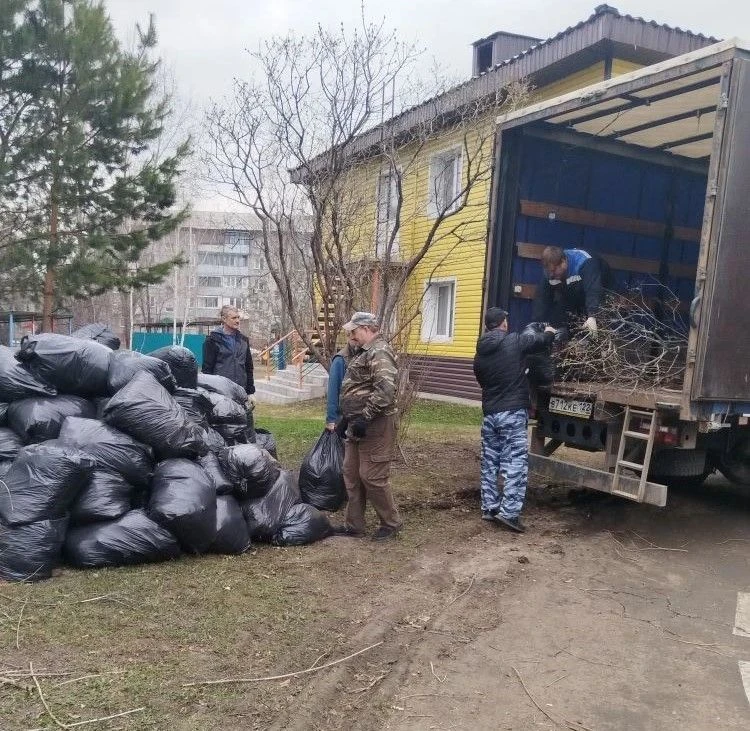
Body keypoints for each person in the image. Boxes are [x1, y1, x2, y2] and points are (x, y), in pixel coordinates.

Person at [473, 307, 556, 533]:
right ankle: (509, 513)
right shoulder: (514, 341)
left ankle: (489, 508)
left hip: (490, 413)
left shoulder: (479, 353)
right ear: (503, 323)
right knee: (516, 462)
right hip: (512, 413)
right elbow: (538, 341)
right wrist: (550, 332)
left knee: (490, 462)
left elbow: (482, 381)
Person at [333, 312, 402, 541]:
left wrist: (365, 416)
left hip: (376, 424)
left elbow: (386, 390)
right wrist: (347, 418)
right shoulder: (363, 351)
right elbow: (360, 387)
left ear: (366, 328)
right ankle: (354, 525)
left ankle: (391, 523)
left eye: (354, 331)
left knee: (372, 476)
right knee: (351, 473)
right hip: (357, 423)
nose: (351, 335)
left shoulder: (379, 351)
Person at [532, 246, 613, 335]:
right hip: (572, 293)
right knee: (558, 318)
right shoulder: (550, 273)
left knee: (597, 323)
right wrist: (538, 324)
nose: (551, 274)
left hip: (600, 289)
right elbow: (542, 299)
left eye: (554, 270)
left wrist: (592, 316)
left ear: (563, 262)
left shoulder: (585, 262)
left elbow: (594, 290)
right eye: (549, 271)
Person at [202, 305, 256, 409]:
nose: (237, 321)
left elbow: (249, 367)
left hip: (241, 392)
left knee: (243, 419)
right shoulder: (212, 340)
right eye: (234, 318)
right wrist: (209, 393)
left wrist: (250, 392)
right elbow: (207, 370)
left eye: (238, 317)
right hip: (220, 394)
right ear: (224, 319)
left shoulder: (244, 340)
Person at [325, 335, 360, 432]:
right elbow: (333, 391)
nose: (354, 337)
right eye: (351, 334)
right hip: (344, 420)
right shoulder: (340, 360)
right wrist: (331, 420)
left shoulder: (365, 355)